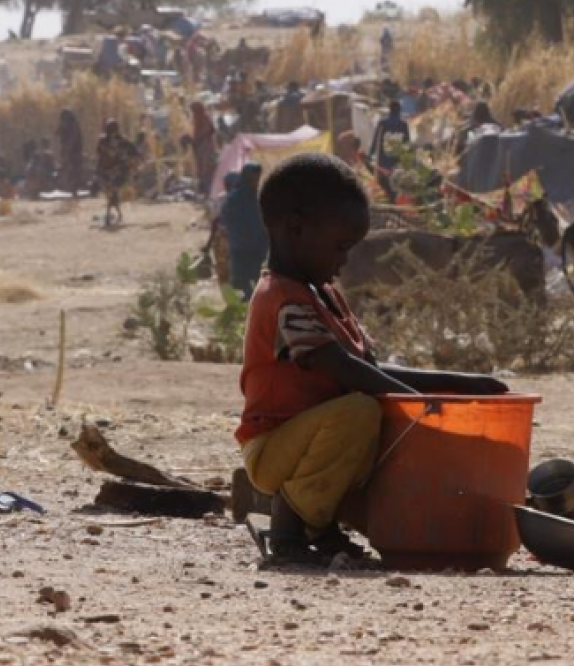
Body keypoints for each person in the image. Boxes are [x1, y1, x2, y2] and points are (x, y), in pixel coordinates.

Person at [234, 153, 507, 564]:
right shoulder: (283, 299)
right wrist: (420, 407)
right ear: (295, 229)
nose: (344, 262)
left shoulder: (324, 296)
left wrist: (465, 384)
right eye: (340, 248)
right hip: (275, 447)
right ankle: (288, 529)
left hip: (312, 441)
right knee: (363, 410)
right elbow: (344, 369)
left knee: (372, 412)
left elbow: (370, 370)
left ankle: (322, 530)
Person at [220, 163, 269, 295]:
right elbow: (226, 219)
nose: (256, 182)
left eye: (258, 178)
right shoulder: (234, 199)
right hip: (241, 247)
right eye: (253, 178)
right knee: (242, 281)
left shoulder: (259, 197)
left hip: (259, 246)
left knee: (258, 280)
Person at [96, 120, 138, 226]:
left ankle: (111, 214)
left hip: (119, 172)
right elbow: (101, 155)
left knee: (113, 191)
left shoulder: (123, 142)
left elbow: (134, 154)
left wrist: (128, 161)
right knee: (111, 193)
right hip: (106, 172)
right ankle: (115, 213)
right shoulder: (103, 141)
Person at [370, 100, 411, 198]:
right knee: (395, 180)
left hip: (383, 158)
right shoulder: (403, 124)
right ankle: (394, 198)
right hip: (396, 158)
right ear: (399, 110)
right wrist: (408, 159)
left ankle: (387, 196)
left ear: (389, 109)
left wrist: (371, 153)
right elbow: (407, 143)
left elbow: (376, 139)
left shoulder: (382, 123)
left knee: (384, 180)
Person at [191, 102, 219, 198]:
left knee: (208, 169)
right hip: (201, 147)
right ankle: (206, 191)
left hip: (206, 146)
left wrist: (198, 138)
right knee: (202, 170)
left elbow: (207, 130)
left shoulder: (204, 117)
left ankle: (210, 191)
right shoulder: (197, 118)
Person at [57, 109, 84, 197]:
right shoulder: (66, 124)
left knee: (74, 169)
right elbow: (58, 132)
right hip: (69, 151)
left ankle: (74, 188)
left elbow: (74, 138)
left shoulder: (74, 125)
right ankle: (71, 187)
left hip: (74, 151)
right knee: (69, 169)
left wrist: (68, 148)